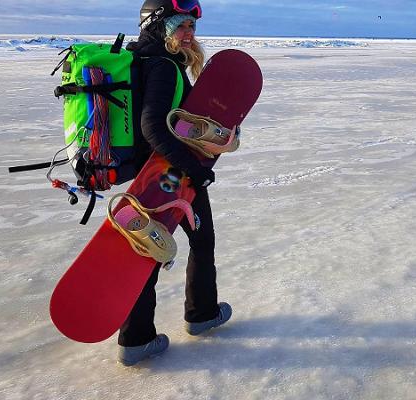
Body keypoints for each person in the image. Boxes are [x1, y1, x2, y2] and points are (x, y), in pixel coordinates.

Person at [117, 0, 232, 367]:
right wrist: (192, 169)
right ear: (158, 26)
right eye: (180, 25)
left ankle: (137, 338)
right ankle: (200, 316)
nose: (189, 34)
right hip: (170, 173)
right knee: (199, 239)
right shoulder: (164, 67)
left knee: (152, 247)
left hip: (154, 172)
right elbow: (153, 127)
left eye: (192, 28)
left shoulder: (147, 60)